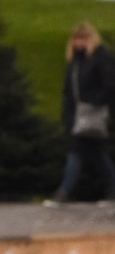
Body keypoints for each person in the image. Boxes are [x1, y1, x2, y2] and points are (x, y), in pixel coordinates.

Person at [47, 20, 115, 204]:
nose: (79, 43)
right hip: (77, 114)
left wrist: (94, 102)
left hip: (92, 113)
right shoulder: (75, 62)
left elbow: (109, 85)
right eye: (76, 39)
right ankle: (111, 189)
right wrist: (67, 114)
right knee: (96, 153)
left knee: (79, 152)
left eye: (83, 39)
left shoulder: (100, 57)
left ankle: (63, 192)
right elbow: (68, 90)